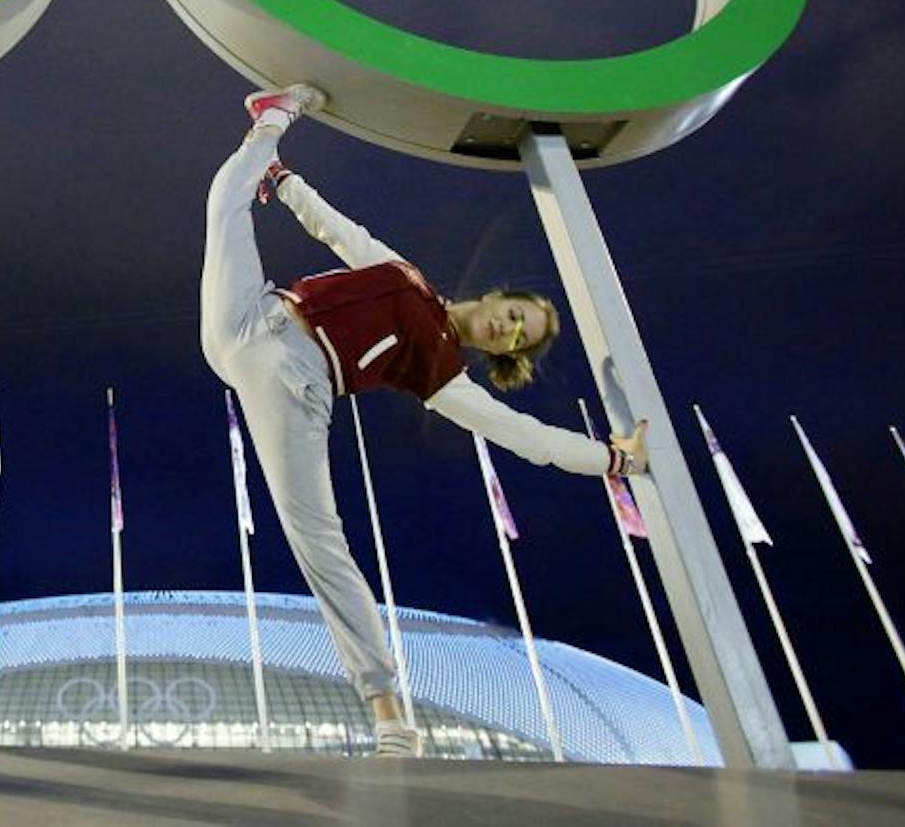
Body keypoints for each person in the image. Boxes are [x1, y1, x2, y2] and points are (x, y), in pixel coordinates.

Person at [201, 84, 650, 759]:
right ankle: (272, 121)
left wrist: (611, 460)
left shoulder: (444, 371)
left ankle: (388, 715)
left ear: (502, 354)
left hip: (294, 383)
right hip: (250, 316)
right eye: (516, 315)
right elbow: (335, 228)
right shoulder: (402, 273)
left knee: (318, 539)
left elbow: (527, 439)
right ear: (499, 294)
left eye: (515, 340)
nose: (507, 330)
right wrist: (285, 181)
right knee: (221, 202)